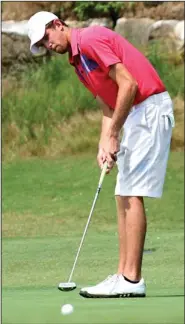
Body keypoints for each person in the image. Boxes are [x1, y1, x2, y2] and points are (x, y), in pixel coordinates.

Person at [27, 11, 175, 298]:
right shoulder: (78, 61)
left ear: (58, 24)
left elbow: (129, 84)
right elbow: (108, 105)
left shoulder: (91, 39)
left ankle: (132, 280)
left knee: (131, 192)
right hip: (136, 114)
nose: (49, 45)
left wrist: (113, 134)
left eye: (47, 37)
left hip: (148, 109)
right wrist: (102, 143)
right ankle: (123, 275)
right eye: (43, 44)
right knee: (122, 192)